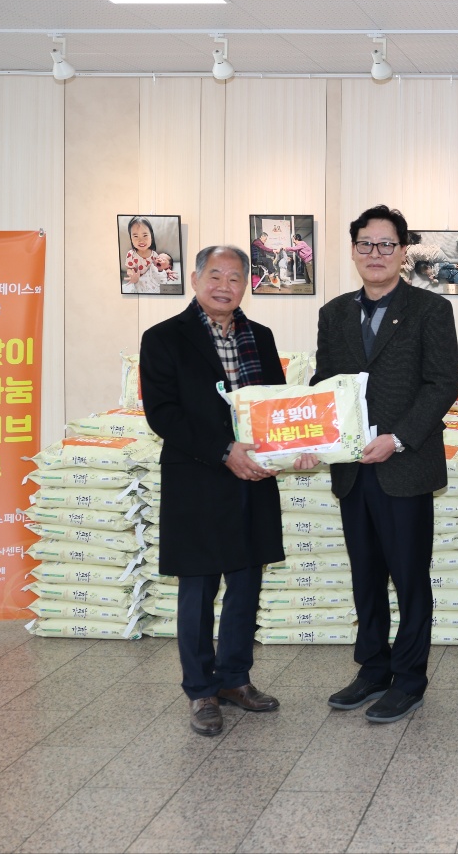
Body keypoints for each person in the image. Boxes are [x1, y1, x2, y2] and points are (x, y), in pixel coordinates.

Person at [307, 205, 458, 724]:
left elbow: (443, 383)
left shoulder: (430, 310)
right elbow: (325, 382)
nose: (376, 254)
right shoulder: (334, 313)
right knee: (365, 575)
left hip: (404, 466)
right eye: (366, 244)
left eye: (386, 244)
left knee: (410, 578)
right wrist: (310, 431)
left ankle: (410, 678)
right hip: (353, 468)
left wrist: (397, 439)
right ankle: (372, 668)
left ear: (402, 252)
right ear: (353, 251)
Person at [139, 245, 287, 737]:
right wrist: (225, 451)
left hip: (253, 477)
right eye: (216, 275)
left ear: (246, 285)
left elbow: (274, 405)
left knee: (246, 583)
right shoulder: (163, 338)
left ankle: (235, 679)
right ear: (197, 280)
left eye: (235, 277)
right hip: (198, 478)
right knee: (198, 589)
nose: (225, 286)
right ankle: (201, 690)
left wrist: (291, 449)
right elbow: (163, 414)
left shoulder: (260, 337)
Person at [122, 216, 174, 293]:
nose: (141, 240)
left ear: (151, 237)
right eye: (135, 236)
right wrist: (133, 276)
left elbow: (159, 269)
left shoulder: (154, 256)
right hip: (137, 281)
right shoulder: (131, 254)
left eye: (145, 235)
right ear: (131, 239)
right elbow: (129, 268)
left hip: (150, 282)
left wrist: (166, 272)